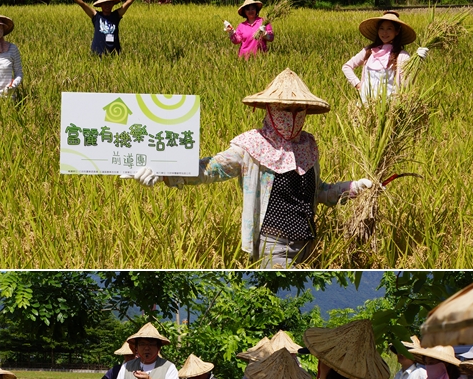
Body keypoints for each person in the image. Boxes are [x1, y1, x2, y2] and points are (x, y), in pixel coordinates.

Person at [130, 68, 373, 267]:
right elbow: (209, 169)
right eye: (284, 109)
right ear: (270, 109)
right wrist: (164, 172)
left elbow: (318, 192)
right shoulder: (252, 146)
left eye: (299, 110)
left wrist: (354, 188)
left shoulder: (308, 146)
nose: (292, 116)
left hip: (308, 244)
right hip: (274, 244)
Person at [342, 10, 428, 103]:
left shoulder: (402, 56)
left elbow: (407, 84)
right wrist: (358, 84)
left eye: (389, 29)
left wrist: (417, 62)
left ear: (397, 31)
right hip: (365, 104)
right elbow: (347, 67)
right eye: (381, 28)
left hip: (389, 106)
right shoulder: (369, 51)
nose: (384, 33)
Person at [62, 0, 139, 55]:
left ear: (113, 4)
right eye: (104, 3)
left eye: (109, 3)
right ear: (101, 5)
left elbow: (128, 3)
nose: (107, 5)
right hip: (97, 53)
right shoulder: (96, 16)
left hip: (115, 54)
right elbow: (82, 4)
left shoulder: (116, 15)